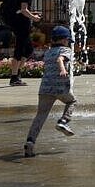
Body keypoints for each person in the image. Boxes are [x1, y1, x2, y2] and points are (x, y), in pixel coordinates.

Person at [24, 24, 76, 156]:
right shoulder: (65, 50)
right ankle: (63, 122)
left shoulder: (47, 52)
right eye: (67, 40)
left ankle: (30, 142)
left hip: (45, 88)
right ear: (64, 40)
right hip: (59, 87)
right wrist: (63, 69)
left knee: (40, 116)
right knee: (72, 102)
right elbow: (60, 59)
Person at [3, 0, 40, 87]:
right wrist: (34, 17)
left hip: (19, 24)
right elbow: (24, 10)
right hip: (21, 26)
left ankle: (17, 74)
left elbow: (20, 10)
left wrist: (31, 14)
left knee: (28, 50)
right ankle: (14, 77)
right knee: (19, 50)